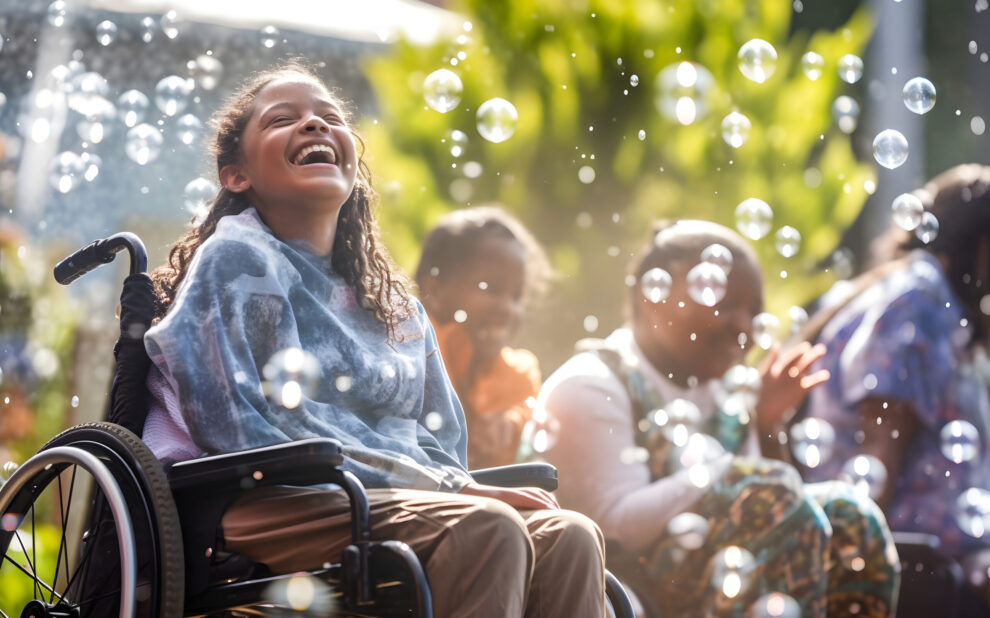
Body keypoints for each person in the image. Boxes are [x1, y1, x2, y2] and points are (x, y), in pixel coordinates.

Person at [141, 61, 606, 617]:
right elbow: (240, 426)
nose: (314, 124)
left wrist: (447, 482)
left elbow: (440, 436)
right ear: (237, 175)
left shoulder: (391, 302)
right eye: (282, 119)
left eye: (330, 117)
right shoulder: (239, 259)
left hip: (379, 495)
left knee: (570, 536)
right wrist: (445, 488)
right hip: (261, 496)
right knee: (489, 527)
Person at [539, 219, 900, 618]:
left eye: (754, 313)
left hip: (714, 580)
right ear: (651, 296)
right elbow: (614, 525)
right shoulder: (592, 384)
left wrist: (767, 427)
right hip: (617, 586)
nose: (743, 326)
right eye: (724, 304)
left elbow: (784, 513)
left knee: (850, 516)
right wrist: (725, 471)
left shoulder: (726, 394)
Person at [798, 164, 990, 610]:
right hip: (914, 573)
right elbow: (877, 458)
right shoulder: (917, 303)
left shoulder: (921, 295)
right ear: (978, 242)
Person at [415, 206, 552, 469]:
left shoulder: (518, 374)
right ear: (435, 291)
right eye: (490, 288)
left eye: (516, 296)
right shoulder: (412, 353)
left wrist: (513, 424)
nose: (507, 308)